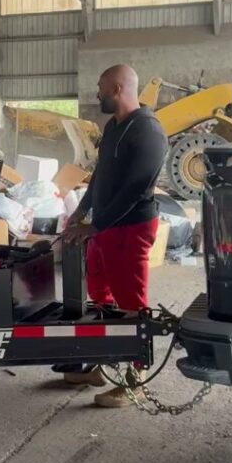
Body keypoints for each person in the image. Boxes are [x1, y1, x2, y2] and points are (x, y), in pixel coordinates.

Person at [62, 64, 168, 408]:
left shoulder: (149, 131)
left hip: (130, 228)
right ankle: (101, 364)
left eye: (101, 88)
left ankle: (134, 380)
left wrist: (95, 225)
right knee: (100, 296)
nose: (98, 94)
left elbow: (136, 190)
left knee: (130, 304)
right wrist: (82, 210)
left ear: (119, 89)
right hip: (106, 227)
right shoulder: (113, 127)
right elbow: (101, 177)